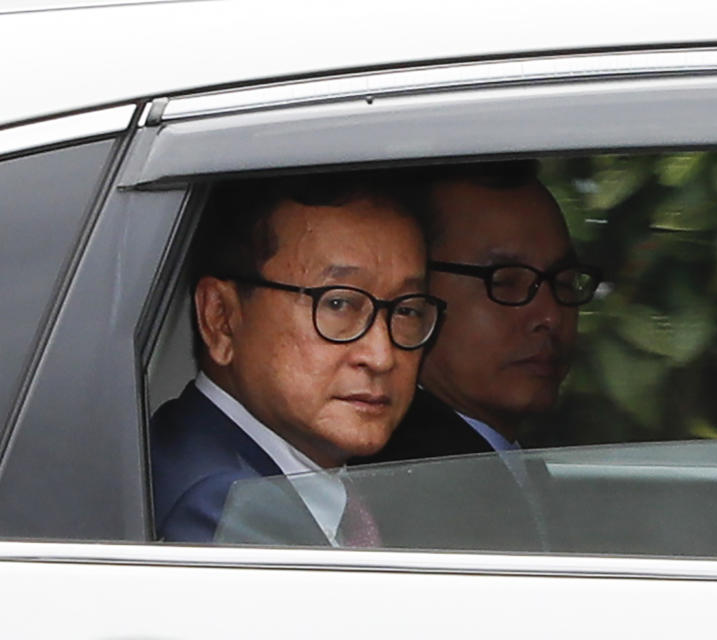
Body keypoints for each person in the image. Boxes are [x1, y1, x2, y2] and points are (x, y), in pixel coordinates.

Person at [151, 173, 444, 544]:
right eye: (337, 304)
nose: (381, 356)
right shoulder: (223, 507)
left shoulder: (204, 454)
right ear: (221, 318)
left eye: (408, 311)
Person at [355, 161, 601, 464]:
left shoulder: (490, 462)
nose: (550, 316)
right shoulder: (418, 476)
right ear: (413, 295)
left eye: (564, 282)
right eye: (506, 282)